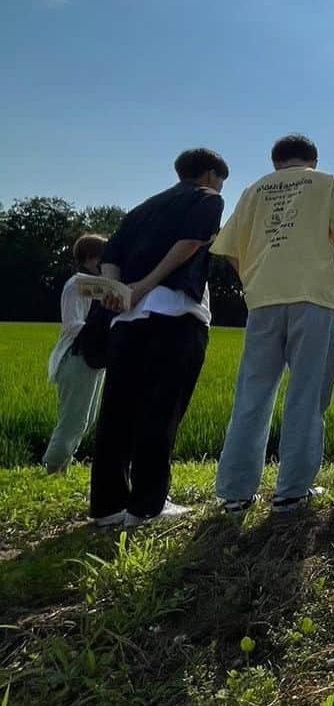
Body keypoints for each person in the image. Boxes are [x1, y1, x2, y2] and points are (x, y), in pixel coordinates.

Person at [211, 135, 334, 517]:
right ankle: (291, 492)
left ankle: (235, 494)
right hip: (316, 299)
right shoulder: (329, 183)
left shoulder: (254, 189)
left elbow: (227, 249)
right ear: (314, 159)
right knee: (306, 395)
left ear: (275, 161)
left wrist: (253, 279)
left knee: (253, 395)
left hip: (263, 301)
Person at [89, 148, 229, 528]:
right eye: (220, 178)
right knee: (161, 408)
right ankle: (147, 505)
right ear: (210, 175)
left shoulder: (143, 208)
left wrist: (122, 290)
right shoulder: (208, 199)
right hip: (175, 313)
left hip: (126, 321)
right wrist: (147, 285)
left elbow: (111, 256)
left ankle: (106, 505)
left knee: (118, 410)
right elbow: (190, 243)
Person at [42, 233, 108, 474]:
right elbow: (72, 324)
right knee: (72, 420)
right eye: (102, 258)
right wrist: (105, 329)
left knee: (86, 419)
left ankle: (61, 470)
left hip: (94, 359)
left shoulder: (98, 286)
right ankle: (51, 470)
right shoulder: (77, 285)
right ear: (91, 259)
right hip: (77, 356)